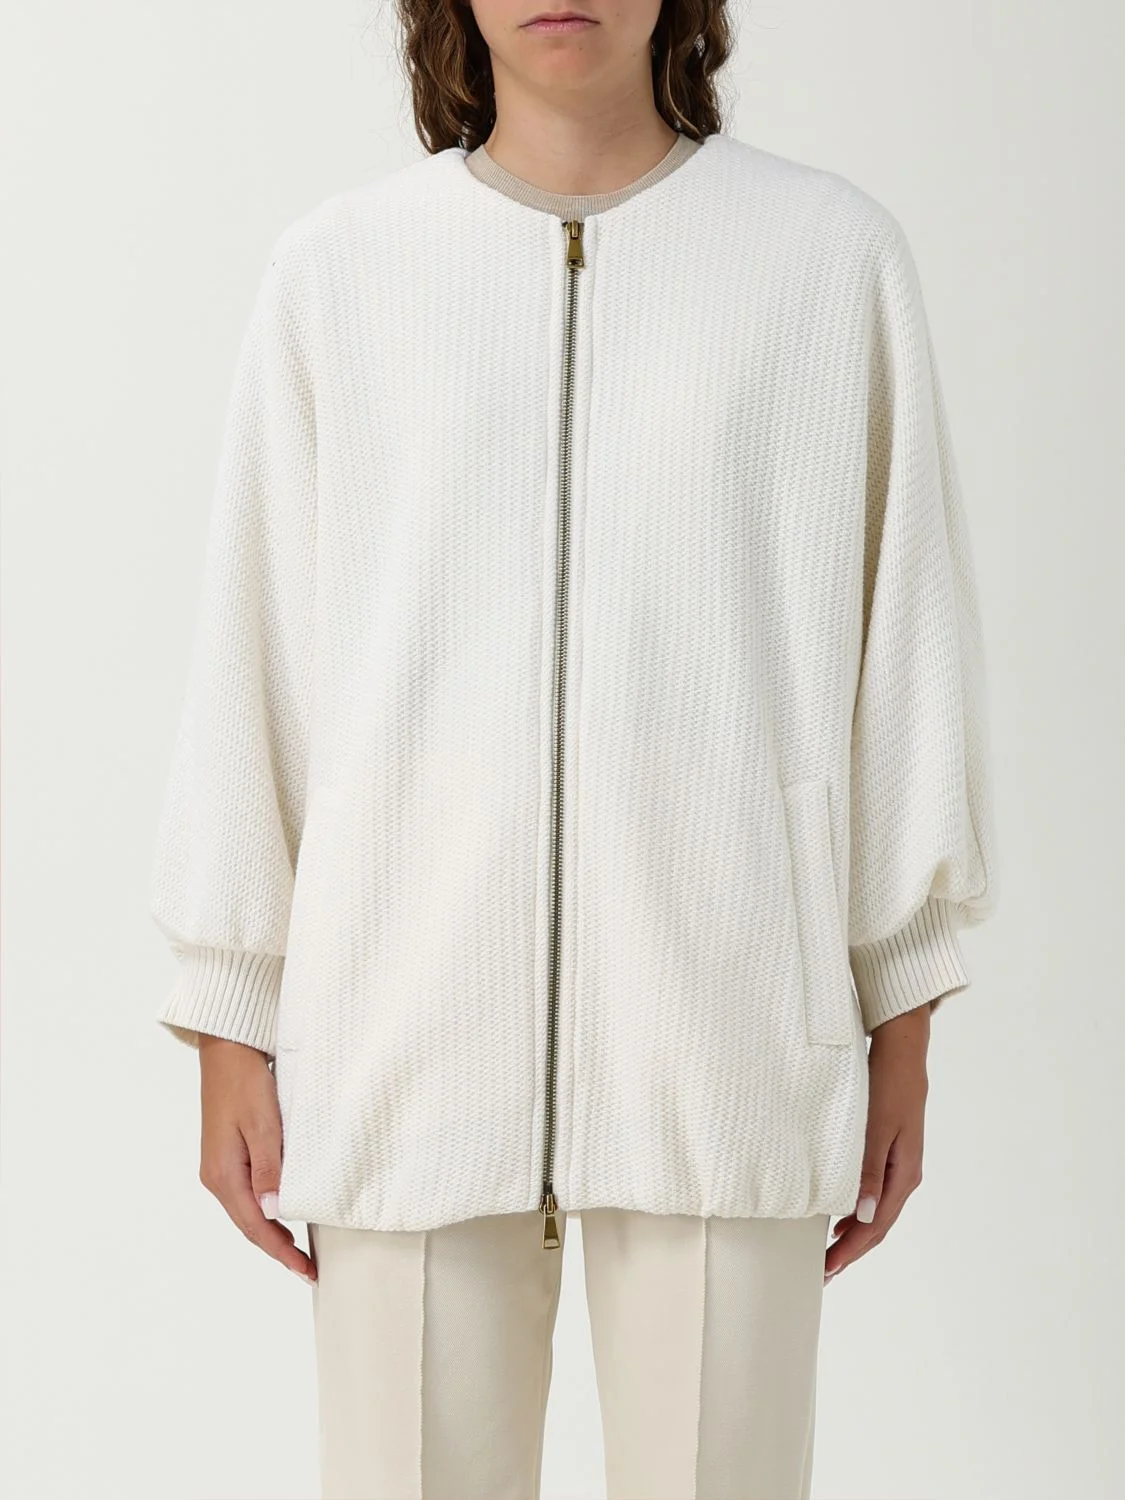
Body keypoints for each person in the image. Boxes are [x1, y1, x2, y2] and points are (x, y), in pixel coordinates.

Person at [148, 1, 999, 1496]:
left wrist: (902, 1005)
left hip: (732, 1028)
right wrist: (232, 1008)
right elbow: (256, 658)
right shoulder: (339, 276)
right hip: (402, 1028)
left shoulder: (825, 263)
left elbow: (906, 651)